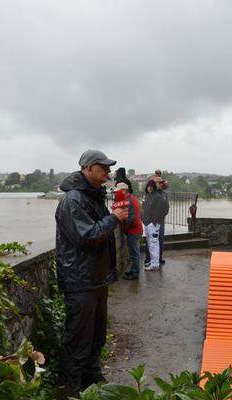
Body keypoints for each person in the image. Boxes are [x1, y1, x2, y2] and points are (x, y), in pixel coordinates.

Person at [55, 150, 128, 398]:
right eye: (103, 167)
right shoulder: (73, 200)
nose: (108, 172)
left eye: (108, 168)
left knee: (96, 334)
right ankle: (69, 389)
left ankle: (92, 381)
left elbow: (99, 228)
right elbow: (87, 236)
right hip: (80, 280)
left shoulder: (92, 196)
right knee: (78, 338)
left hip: (95, 279)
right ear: (87, 168)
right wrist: (114, 219)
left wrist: (115, 214)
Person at [113, 183, 143, 281]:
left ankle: (135, 273)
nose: (116, 194)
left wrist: (124, 228)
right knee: (134, 252)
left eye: (118, 191)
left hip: (133, 230)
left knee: (134, 253)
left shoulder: (129, 200)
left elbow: (130, 218)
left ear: (124, 190)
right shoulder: (132, 198)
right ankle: (134, 270)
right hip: (136, 229)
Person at [142, 180, 166, 270]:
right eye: (148, 186)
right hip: (148, 224)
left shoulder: (158, 197)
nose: (149, 188)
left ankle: (155, 264)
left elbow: (163, 210)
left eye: (151, 186)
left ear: (154, 187)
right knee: (151, 244)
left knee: (153, 243)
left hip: (153, 224)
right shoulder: (148, 196)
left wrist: (155, 222)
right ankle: (153, 262)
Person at [155, 177, 169, 264]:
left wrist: (163, 214)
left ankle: (160, 257)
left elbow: (167, 206)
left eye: (162, 183)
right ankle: (152, 259)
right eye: (159, 183)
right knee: (152, 240)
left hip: (161, 220)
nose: (161, 184)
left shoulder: (164, 194)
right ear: (155, 183)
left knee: (160, 239)